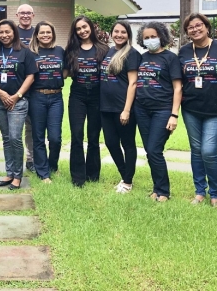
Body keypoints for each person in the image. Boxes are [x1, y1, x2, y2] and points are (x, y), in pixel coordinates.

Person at [179, 13, 217, 207]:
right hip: (191, 108)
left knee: (209, 151)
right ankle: (200, 191)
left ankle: (216, 193)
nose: (195, 29)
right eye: (190, 27)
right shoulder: (184, 51)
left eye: (198, 25)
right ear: (187, 32)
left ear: (207, 27)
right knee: (196, 150)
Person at [0, 19, 36, 190]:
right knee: (6, 138)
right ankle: (9, 172)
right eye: (1, 32)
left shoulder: (24, 51)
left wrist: (17, 95)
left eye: (8, 32)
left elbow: (31, 76)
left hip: (18, 102)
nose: (4, 35)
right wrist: (0, 92)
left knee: (15, 137)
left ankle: (17, 176)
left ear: (14, 33)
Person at [134, 21, 182, 202]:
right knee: (149, 150)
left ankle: (164, 191)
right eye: (146, 38)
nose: (150, 40)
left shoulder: (170, 58)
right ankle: (157, 188)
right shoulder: (142, 57)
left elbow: (178, 88)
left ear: (161, 37)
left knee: (154, 149)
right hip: (141, 109)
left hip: (162, 110)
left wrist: (174, 114)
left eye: (153, 36)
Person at [64, 15, 108, 186]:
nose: (82, 31)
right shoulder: (71, 50)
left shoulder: (103, 49)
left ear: (91, 27)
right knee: (76, 135)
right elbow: (64, 74)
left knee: (94, 136)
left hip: (97, 96)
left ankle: (93, 175)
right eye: (78, 29)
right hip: (78, 96)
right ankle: (78, 177)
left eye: (85, 27)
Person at [100, 20, 141, 193]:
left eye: (123, 32)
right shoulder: (109, 51)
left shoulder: (132, 54)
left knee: (128, 144)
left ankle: (128, 181)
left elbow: (133, 83)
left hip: (122, 108)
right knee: (110, 142)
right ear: (111, 33)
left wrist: (126, 110)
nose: (119, 35)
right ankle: (125, 175)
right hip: (105, 107)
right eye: (116, 31)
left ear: (128, 35)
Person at [28, 21, 64, 183]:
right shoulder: (30, 53)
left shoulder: (59, 51)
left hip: (56, 97)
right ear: (36, 35)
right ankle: (43, 172)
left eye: (48, 32)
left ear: (53, 34)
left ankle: (53, 166)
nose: (45, 35)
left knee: (55, 137)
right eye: (42, 32)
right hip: (37, 97)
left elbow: (67, 70)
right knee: (38, 136)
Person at [16, 4, 36, 172]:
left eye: (28, 13)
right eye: (22, 13)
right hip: (15, 84)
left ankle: (31, 159)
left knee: (31, 125)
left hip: (35, 85)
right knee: (14, 128)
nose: (25, 15)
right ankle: (15, 160)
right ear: (17, 15)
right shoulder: (12, 33)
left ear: (33, 15)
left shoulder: (38, 33)